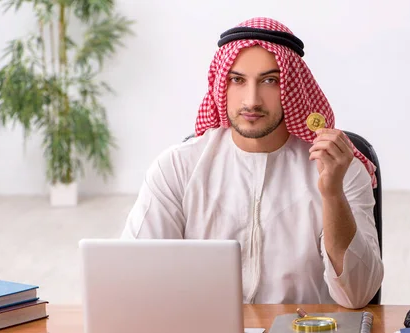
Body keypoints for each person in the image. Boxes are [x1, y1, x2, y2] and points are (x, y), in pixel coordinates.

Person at [121, 17, 383, 309]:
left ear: (291, 88)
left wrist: (332, 193)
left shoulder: (341, 170)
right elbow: (134, 281)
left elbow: (358, 295)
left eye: (270, 81)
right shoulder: (177, 168)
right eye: (238, 80)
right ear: (223, 85)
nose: (252, 100)